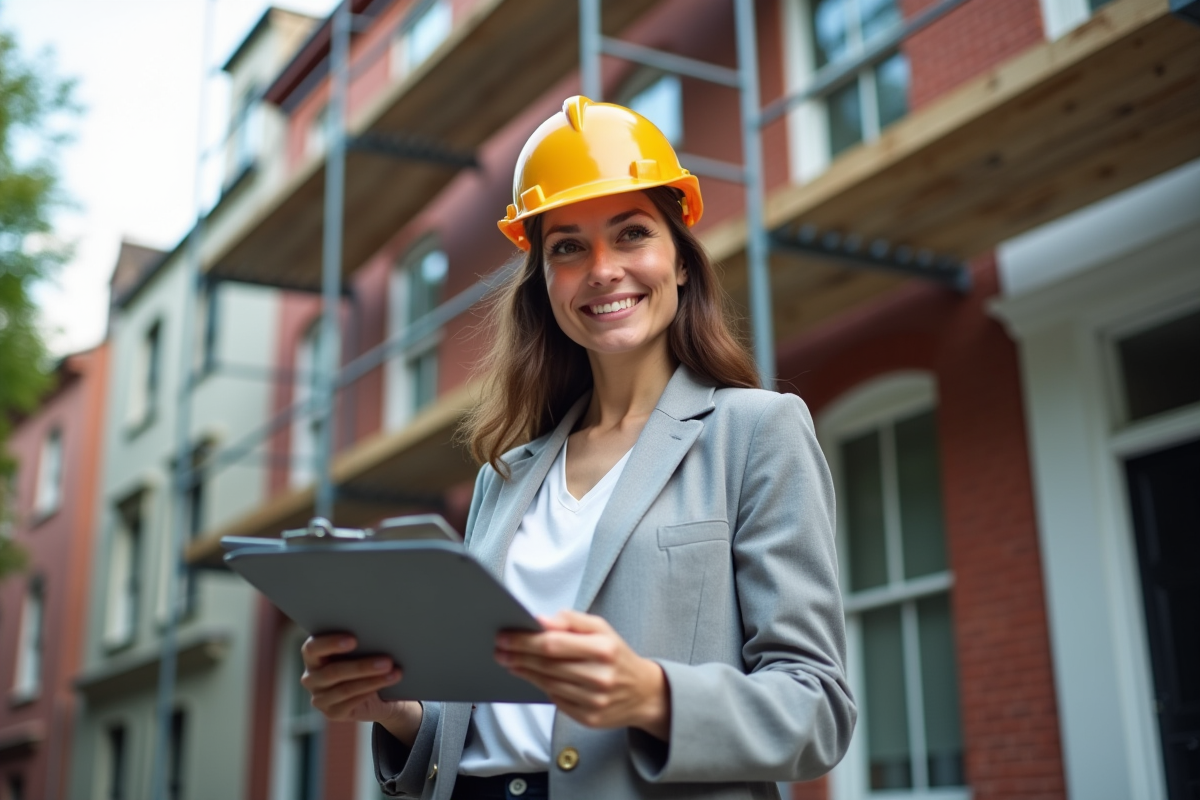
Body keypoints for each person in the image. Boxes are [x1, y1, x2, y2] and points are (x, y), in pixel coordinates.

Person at [299, 96, 855, 800]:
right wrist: (399, 712)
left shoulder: (756, 432)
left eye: (631, 234)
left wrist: (652, 694)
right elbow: (485, 719)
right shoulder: (506, 476)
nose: (602, 269)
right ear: (546, 285)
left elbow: (818, 709)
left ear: (680, 261)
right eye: (568, 246)